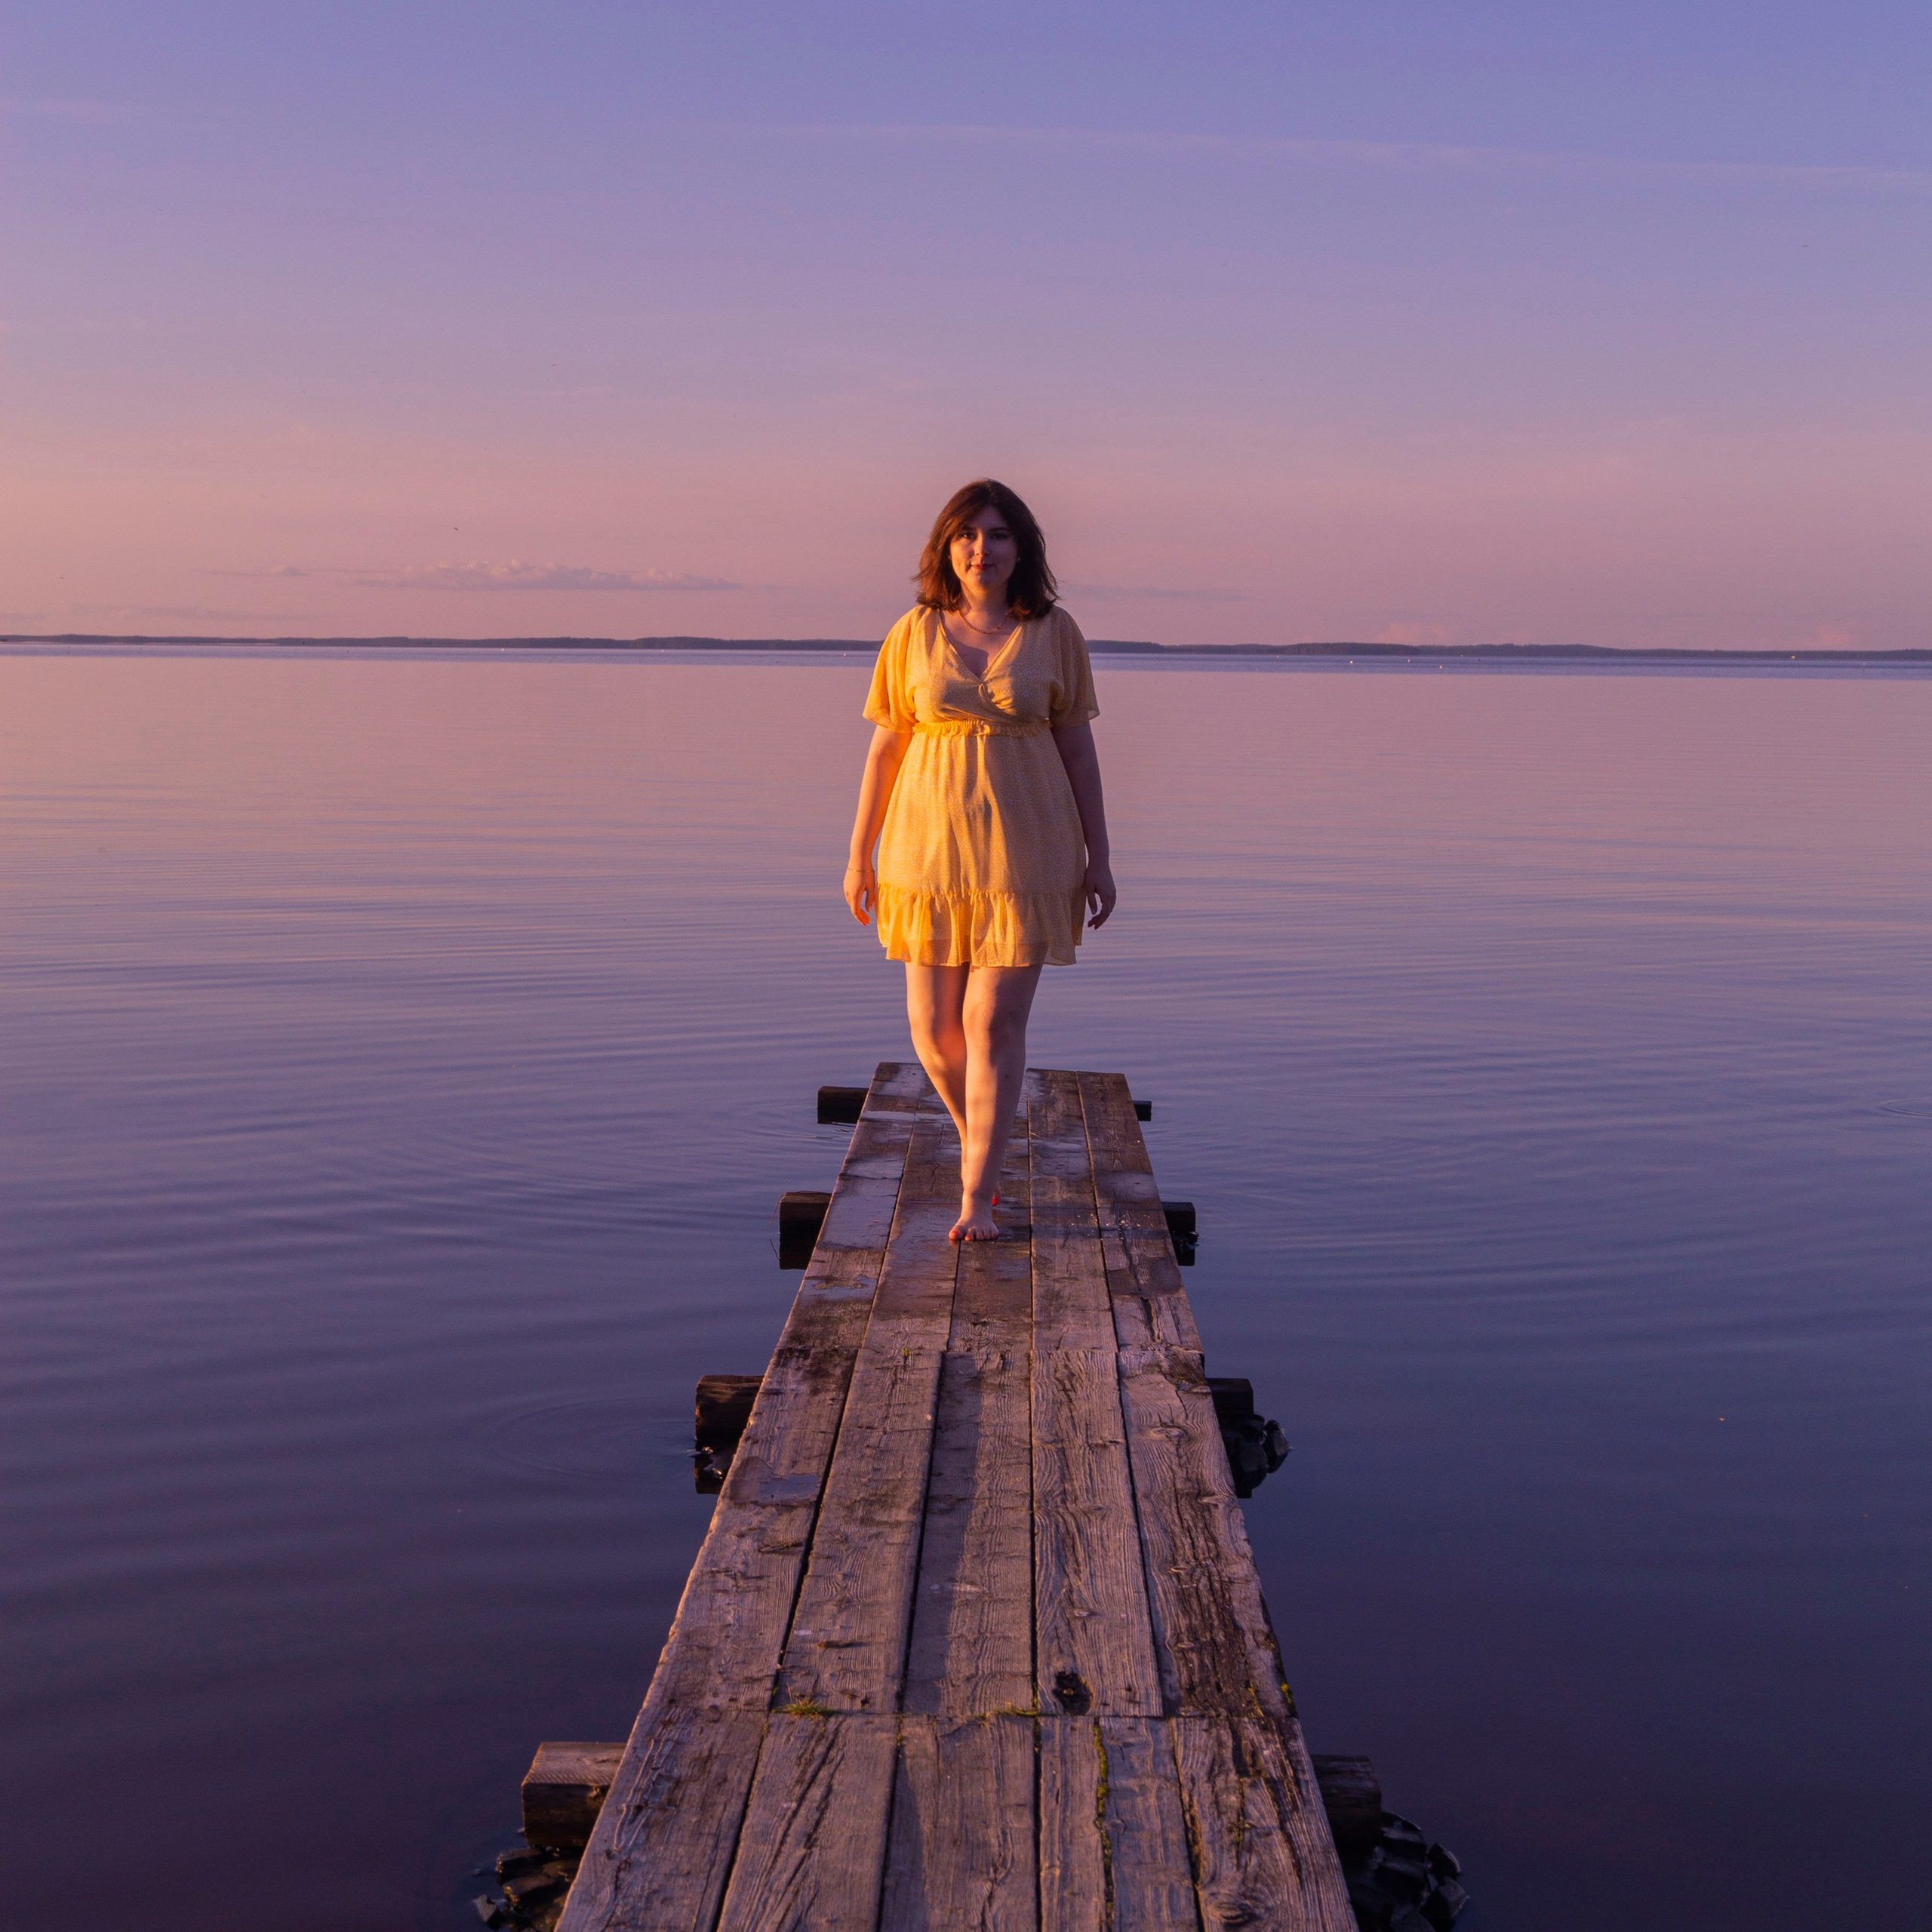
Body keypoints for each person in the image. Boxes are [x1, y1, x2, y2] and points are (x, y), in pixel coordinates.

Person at [844, 480, 1115, 1243]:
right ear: (945, 548)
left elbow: (1080, 754)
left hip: (1029, 854)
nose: (981, 548)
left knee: (991, 1021)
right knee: (932, 1030)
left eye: (998, 535)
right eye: (967, 534)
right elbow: (885, 748)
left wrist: (1102, 857)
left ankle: (977, 1195)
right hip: (923, 854)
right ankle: (984, 1140)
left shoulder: (1054, 632)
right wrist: (857, 854)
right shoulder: (913, 632)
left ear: (1021, 549)